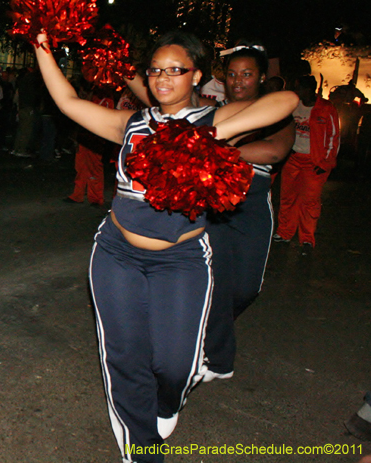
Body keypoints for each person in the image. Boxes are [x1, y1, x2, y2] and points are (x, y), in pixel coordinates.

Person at [34, 29, 298, 462]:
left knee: (175, 365)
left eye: (175, 70)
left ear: (196, 76)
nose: (162, 78)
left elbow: (283, 104)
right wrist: (41, 45)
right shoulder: (131, 123)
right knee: (125, 355)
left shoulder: (211, 122)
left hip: (182, 258)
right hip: (117, 252)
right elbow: (67, 102)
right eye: (155, 70)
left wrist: (200, 140)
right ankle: (141, 450)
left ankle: (167, 400)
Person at [203, 42, 295, 381]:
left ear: (260, 77)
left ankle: (214, 328)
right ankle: (207, 346)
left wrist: (224, 151)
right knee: (208, 280)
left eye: (247, 74)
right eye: (232, 74)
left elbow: (274, 152)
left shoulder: (276, 114)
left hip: (252, 205)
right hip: (212, 208)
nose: (238, 80)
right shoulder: (211, 110)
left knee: (245, 288)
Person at [274, 75, 340, 252]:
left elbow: (333, 137)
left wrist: (325, 163)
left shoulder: (326, 109)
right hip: (293, 158)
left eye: (300, 88)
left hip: (314, 161)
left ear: (309, 90)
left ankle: (307, 238)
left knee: (309, 201)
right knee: (287, 197)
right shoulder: (294, 106)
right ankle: (285, 232)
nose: (297, 92)